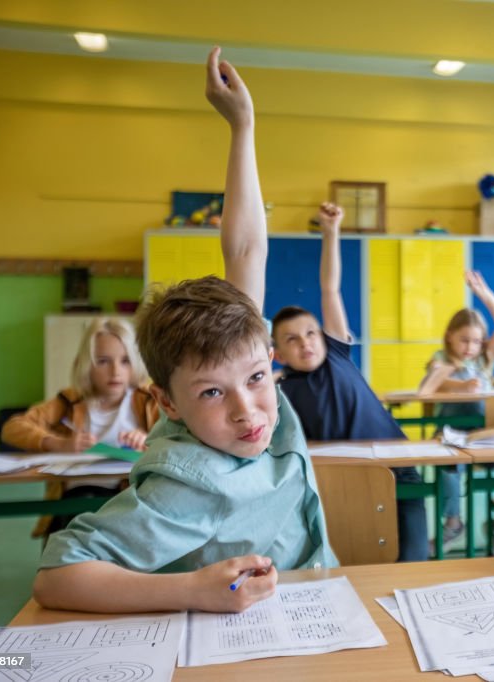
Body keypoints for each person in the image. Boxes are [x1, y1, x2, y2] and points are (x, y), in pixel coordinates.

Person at [33, 47, 336, 614]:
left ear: (269, 358)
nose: (248, 410)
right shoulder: (188, 482)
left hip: (310, 609)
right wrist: (190, 591)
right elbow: (56, 575)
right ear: (166, 403)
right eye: (213, 393)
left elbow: (246, 248)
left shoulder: (232, 349)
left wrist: (243, 126)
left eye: (255, 377)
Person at [273, 202, 428, 562]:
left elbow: (330, 289)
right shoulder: (281, 391)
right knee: (359, 556)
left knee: (412, 558)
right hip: (343, 477)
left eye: (311, 333)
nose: (305, 342)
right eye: (292, 340)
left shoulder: (338, 355)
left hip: (396, 465)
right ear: (277, 353)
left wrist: (331, 232)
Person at [1, 317, 158, 537]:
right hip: (75, 497)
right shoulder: (70, 401)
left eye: (125, 361)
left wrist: (148, 440)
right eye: (103, 361)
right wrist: (59, 443)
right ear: (86, 364)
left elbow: (180, 436)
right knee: (79, 528)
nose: (115, 371)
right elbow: (13, 427)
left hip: (126, 496)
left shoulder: (148, 400)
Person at [419, 274, 494, 547]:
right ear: (449, 337)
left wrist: (484, 294)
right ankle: (454, 522)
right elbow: (432, 383)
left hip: (483, 435)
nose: (471, 348)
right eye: (464, 340)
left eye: (476, 341)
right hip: (451, 434)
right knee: (449, 466)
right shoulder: (440, 360)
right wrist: (459, 384)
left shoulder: (484, 361)